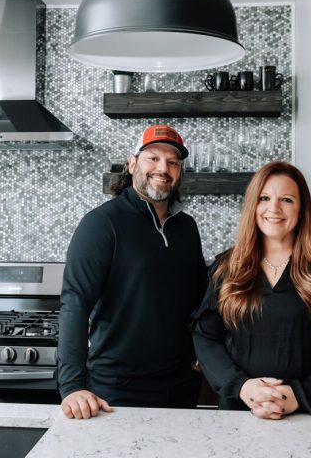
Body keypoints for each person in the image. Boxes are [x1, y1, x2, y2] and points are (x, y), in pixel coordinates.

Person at [192, 160, 311, 419]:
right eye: (264, 198)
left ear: (301, 210)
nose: (274, 208)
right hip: (240, 412)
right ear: (253, 206)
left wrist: (296, 396)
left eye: (286, 199)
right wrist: (244, 387)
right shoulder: (227, 268)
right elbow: (205, 337)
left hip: (310, 413)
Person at [58, 124, 208, 419]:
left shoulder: (187, 228)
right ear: (132, 164)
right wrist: (72, 385)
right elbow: (75, 303)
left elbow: (200, 301)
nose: (163, 168)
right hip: (116, 390)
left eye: (173, 161)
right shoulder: (102, 224)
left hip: (180, 386)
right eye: (152, 158)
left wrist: (204, 355)